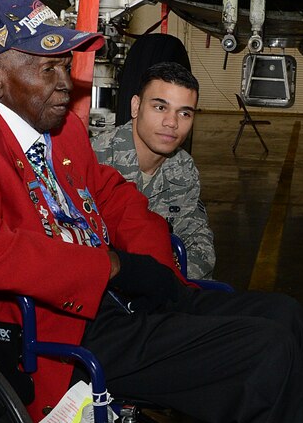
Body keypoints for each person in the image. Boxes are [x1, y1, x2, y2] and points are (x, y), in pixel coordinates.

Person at [0, 0, 303, 423]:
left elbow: (117, 199)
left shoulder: (60, 130)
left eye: (66, 66)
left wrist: (161, 279)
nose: (67, 84)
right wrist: (111, 266)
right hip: (47, 330)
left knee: (285, 315)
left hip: (109, 305)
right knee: (265, 354)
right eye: (48, 70)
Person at [92, 61, 215, 279]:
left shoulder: (183, 168)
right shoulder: (95, 159)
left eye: (184, 113)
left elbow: (197, 239)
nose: (171, 123)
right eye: (160, 107)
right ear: (136, 107)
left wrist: (172, 279)